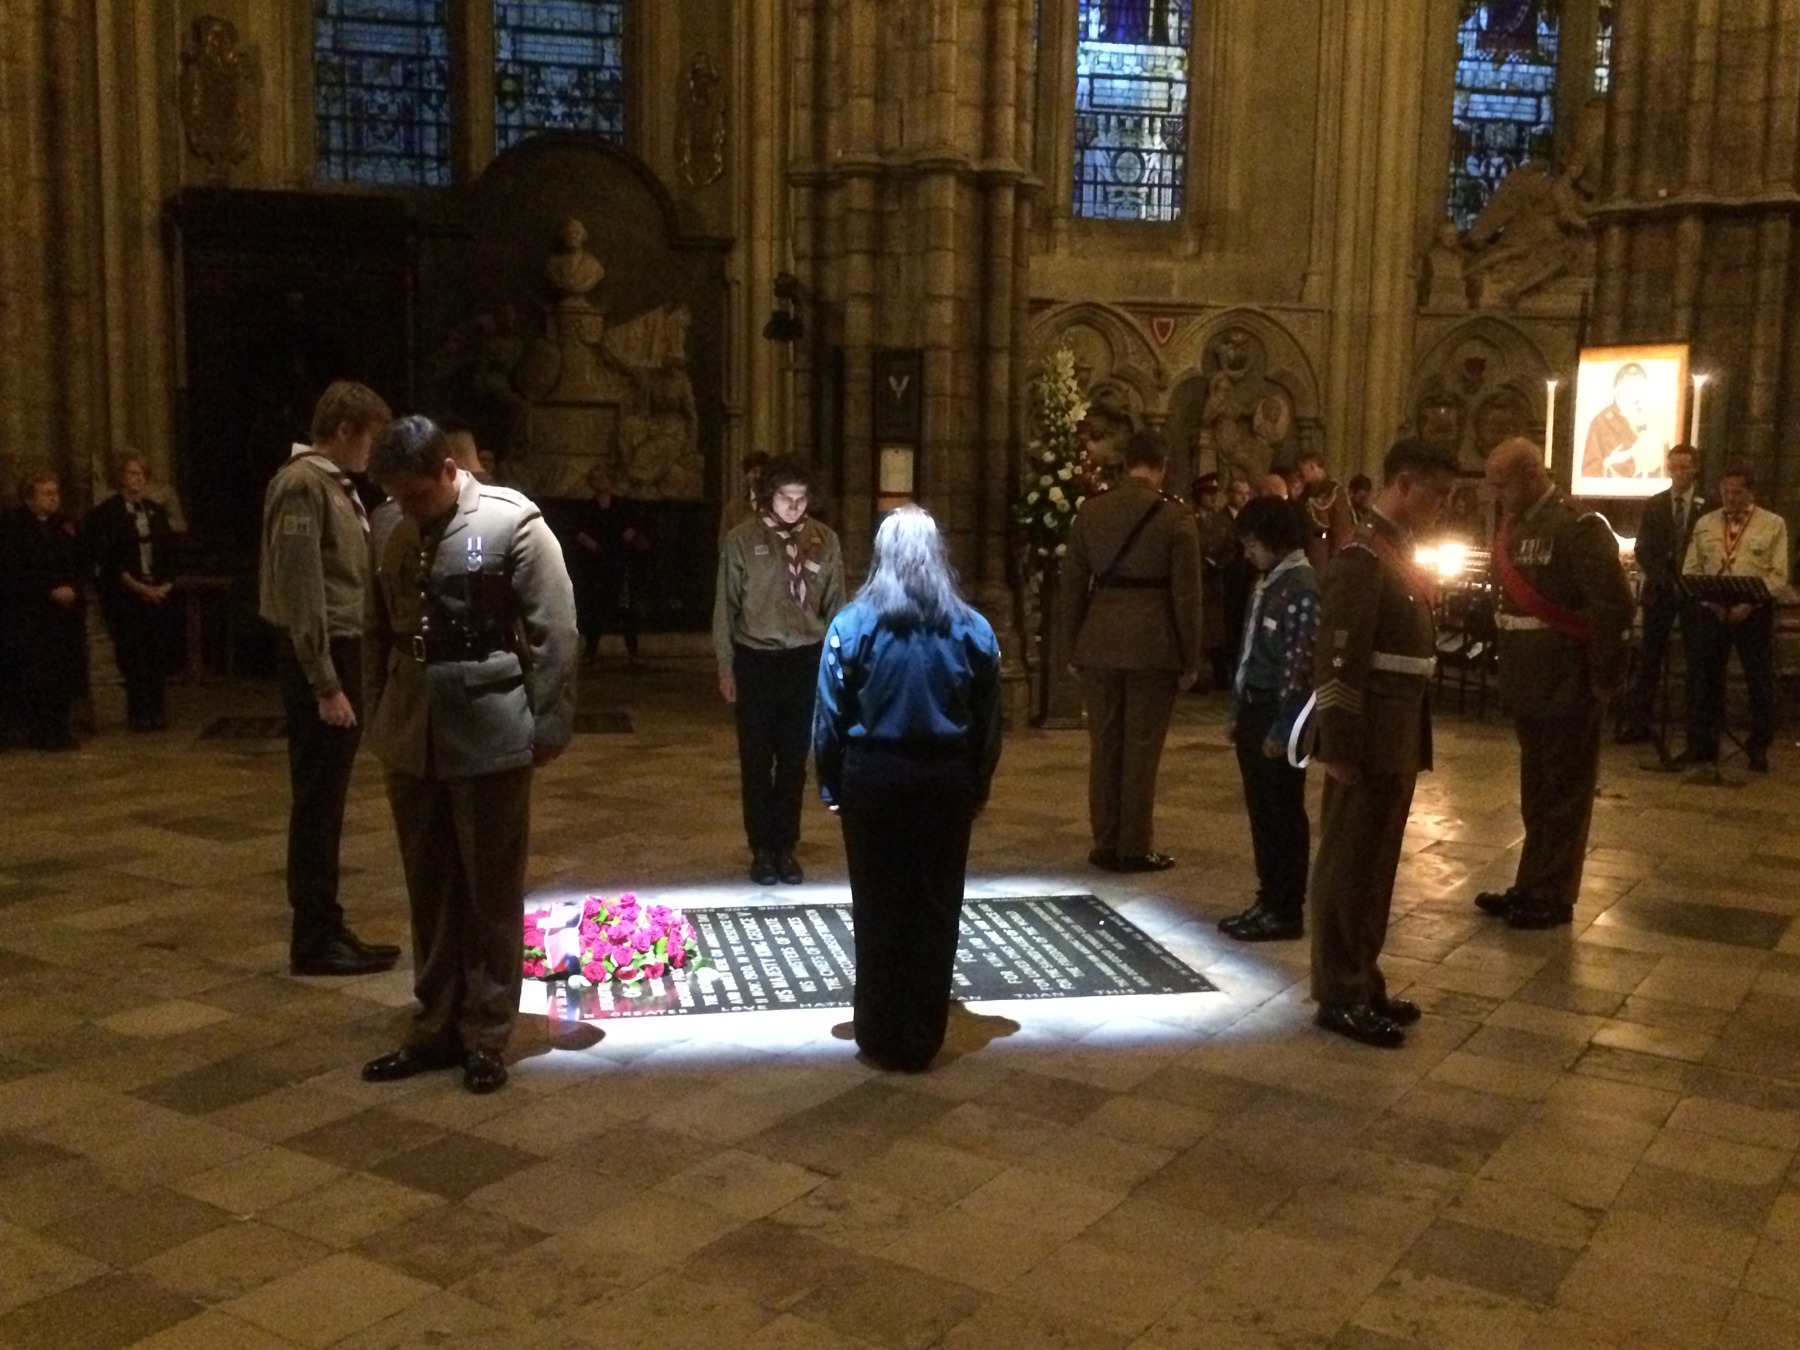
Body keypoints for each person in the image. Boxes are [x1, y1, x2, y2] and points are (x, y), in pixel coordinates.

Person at [359, 416, 577, 1095]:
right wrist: (379, 716)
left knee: (489, 890)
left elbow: (555, 629)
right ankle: (435, 1024)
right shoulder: (390, 521)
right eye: (398, 495)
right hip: (411, 729)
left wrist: (547, 726)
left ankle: (486, 1031)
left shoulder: (513, 523)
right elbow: (375, 627)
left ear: (449, 471)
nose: (410, 509)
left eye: (419, 495)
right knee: (430, 887)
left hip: (488, 728)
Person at [814, 506, 1002, 1071]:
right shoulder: (973, 628)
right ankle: (923, 1033)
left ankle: (878, 1029)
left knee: (877, 906)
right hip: (944, 780)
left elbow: (828, 714)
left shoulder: (852, 625)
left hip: (872, 777)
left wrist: (829, 782)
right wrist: (979, 783)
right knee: (935, 906)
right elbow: (990, 719)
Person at [1309, 439, 1456, 1048]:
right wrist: (1337, 742)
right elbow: (1339, 655)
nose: (1444, 506)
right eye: (1437, 493)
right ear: (1404, 484)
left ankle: (1363, 976)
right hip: (1366, 734)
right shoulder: (1364, 557)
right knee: (1349, 863)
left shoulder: (1396, 550)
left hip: (1395, 730)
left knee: (1375, 866)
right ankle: (1337, 992)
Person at [258, 380, 401, 977]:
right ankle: (313, 939)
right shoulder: (301, 486)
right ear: (344, 431)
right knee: (317, 803)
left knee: (328, 802)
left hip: (341, 651)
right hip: (320, 657)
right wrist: (324, 682)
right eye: (370, 439)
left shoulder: (332, 486)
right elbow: (301, 590)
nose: (373, 454)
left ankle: (328, 924)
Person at [1475, 438, 1634, 929]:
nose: (1498, 496)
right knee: (1537, 792)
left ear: (1529, 474)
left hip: (1568, 682)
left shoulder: (1577, 526)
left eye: (1502, 485)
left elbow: (1613, 608)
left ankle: (1552, 894)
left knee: (1564, 794)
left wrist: (1603, 679)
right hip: (1529, 682)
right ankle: (1531, 883)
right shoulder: (1517, 524)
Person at [1062, 430, 1203, 873]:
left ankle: (1105, 841)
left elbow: (1071, 587)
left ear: (1126, 466)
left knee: (1104, 746)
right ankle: (1134, 847)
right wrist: (1190, 657)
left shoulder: (1092, 512)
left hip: (1099, 639)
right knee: (1141, 749)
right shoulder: (1175, 518)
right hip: (1153, 644)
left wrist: (1072, 645)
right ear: (1160, 467)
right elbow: (1186, 596)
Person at [714, 456, 846, 886]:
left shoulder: (825, 541)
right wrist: (726, 665)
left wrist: (835, 667)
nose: (793, 507)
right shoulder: (741, 540)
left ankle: (786, 845)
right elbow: (725, 609)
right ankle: (761, 849)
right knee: (755, 760)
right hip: (756, 659)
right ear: (769, 497)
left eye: (801, 498)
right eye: (785, 498)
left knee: (794, 761)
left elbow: (836, 607)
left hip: (805, 660)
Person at [1218, 496, 1320, 943]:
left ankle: (1285, 908)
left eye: (1253, 544)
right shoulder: (1269, 581)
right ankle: (1268, 897)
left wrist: (1284, 729)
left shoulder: (1301, 586)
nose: (1248, 553)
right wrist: (1236, 710)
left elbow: (1300, 665)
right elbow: (1248, 650)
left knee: (1281, 813)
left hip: (1279, 712)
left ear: (1276, 540)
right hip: (1255, 707)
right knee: (1261, 811)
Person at [1679, 465, 1790, 772]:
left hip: (1752, 609)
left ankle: (1758, 746)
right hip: (1713, 607)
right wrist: (1709, 601)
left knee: (1759, 678)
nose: (1730, 498)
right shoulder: (1705, 523)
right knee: (1705, 676)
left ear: (1750, 492)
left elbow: (1778, 574)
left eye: (1737, 492)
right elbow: (1692, 568)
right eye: (1725, 492)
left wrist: (1750, 604)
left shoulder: (1772, 524)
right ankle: (1703, 743)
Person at [1617, 444, 1706, 745]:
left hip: (1694, 589)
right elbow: (1643, 547)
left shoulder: (1707, 505)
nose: (1679, 473)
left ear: (1695, 468)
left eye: (1685, 467)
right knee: (1650, 659)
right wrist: (1660, 575)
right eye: (1674, 467)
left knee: (1698, 657)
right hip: (1662, 588)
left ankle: (1696, 729)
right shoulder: (1656, 504)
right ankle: (1639, 723)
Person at [86, 451, 177, 731]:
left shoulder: (156, 512)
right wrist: (138, 587)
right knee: (133, 655)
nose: (136, 480)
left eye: (141, 475)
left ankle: (157, 709)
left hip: (157, 592)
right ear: (121, 478)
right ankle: (139, 712)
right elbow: (110, 560)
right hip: (127, 597)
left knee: (157, 654)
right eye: (131, 474)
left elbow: (169, 555)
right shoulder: (107, 514)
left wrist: (163, 586)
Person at [0, 469, 87, 750]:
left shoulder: (65, 524)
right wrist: (49, 590)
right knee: (39, 675)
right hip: (33, 613)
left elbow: (79, 560)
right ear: (29, 498)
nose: (54, 498)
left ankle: (61, 728)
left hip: (65, 614)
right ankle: (40, 730)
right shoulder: (13, 527)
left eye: (56, 492)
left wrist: (72, 587)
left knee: (64, 673)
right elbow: (14, 569)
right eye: (47, 493)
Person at [571, 464, 649, 668]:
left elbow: (633, 529)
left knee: (626, 609)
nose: (600, 480)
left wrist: (620, 543)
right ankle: (590, 652)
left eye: (603, 476)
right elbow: (579, 533)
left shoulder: (623, 505)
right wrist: (596, 547)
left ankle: (633, 653)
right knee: (594, 609)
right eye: (595, 477)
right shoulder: (587, 508)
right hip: (596, 564)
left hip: (620, 563)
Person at [1582, 362, 1665, 479]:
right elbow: (1590, 470)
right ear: (1617, 388)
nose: (1634, 391)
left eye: (1639, 386)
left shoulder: (1653, 420)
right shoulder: (1602, 422)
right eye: (1629, 385)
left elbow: (1666, 466)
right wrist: (1608, 464)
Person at [1295, 449, 1356, 570]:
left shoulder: (1335, 493)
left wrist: (1319, 536)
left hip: (1323, 558)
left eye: (1302, 470)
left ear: (1312, 466)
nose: (1300, 474)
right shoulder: (1304, 494)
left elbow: (1340, 533)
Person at [719, 449, 771, 542]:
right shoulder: (733, 508)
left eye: (763, 473)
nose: (758, 476)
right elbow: (724, 544)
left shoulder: (777, 506)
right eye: (754, 472)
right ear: (746, 475)